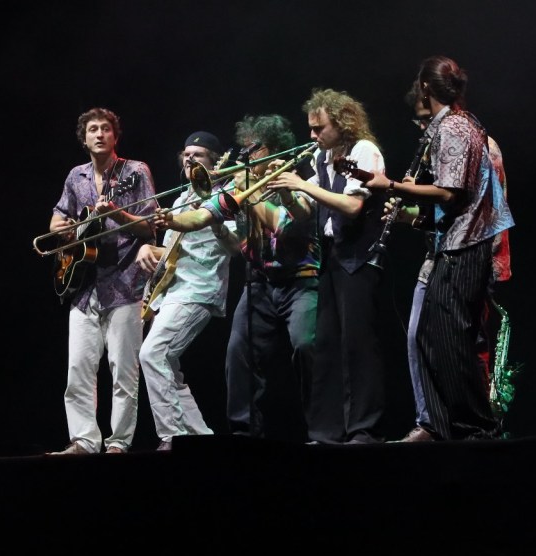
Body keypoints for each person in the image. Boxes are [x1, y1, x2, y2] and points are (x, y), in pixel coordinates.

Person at [363, 56, 514, 441]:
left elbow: (450, 193)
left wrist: (391, 186)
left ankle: (477, 428)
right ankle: (442, 426)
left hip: (468, 245)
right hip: (456, 241)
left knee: (452, 341)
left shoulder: (456, 127)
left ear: (426, 88)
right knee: (432, 337)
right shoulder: (452, 126)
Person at [151, 116, 318, 442]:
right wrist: (170, 219)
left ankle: (322, 429)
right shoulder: (240, 186)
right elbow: (200, 215)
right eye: (244, 148)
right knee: (237, 356)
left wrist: (245, 190)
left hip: (300, 279)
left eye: (253, 149)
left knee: (305, 348)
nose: (245, 155)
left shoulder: (296, 183)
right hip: (259, 282)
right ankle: (244, 434)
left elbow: (282, 227)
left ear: (271, 150)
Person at [267, 89, 389, 444]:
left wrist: (301, 183)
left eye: (319, 128)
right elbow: (309, 210)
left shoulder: (363, 151)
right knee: (328, 347)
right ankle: (327, 431)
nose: (312, 135)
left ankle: (364, 428)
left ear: (342, 122)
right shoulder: (323, 156)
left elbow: (351, 207)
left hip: (361, 256)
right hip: (333, 257)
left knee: (358, 345)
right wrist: (288, 189)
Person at [47, 107, 158, 455]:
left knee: (123, 370)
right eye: (92, 129)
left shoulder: (135, 172)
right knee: (78, 369)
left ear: (115, 136)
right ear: (84, 138)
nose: (99, 134)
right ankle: (83, 440)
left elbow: (151, 225)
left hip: (125, 282)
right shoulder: (76, 176)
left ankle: (119, 442)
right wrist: (64, 231)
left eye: (105, 129)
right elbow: (56, 221)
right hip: (83, 287)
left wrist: (118, 214)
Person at [135, 131, 236, 451]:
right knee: (169, 368)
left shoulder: (228, 194)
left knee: (153, 354)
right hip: (174, 290)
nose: (190, 158)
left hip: (200, 288)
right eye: (186, 153)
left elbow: (235, 246)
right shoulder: (181, 199)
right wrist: (147, 250)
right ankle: (199, 436)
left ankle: (171, 435)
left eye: (199, 155)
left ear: (215, 162)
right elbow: (170, 254)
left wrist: (216, 219)